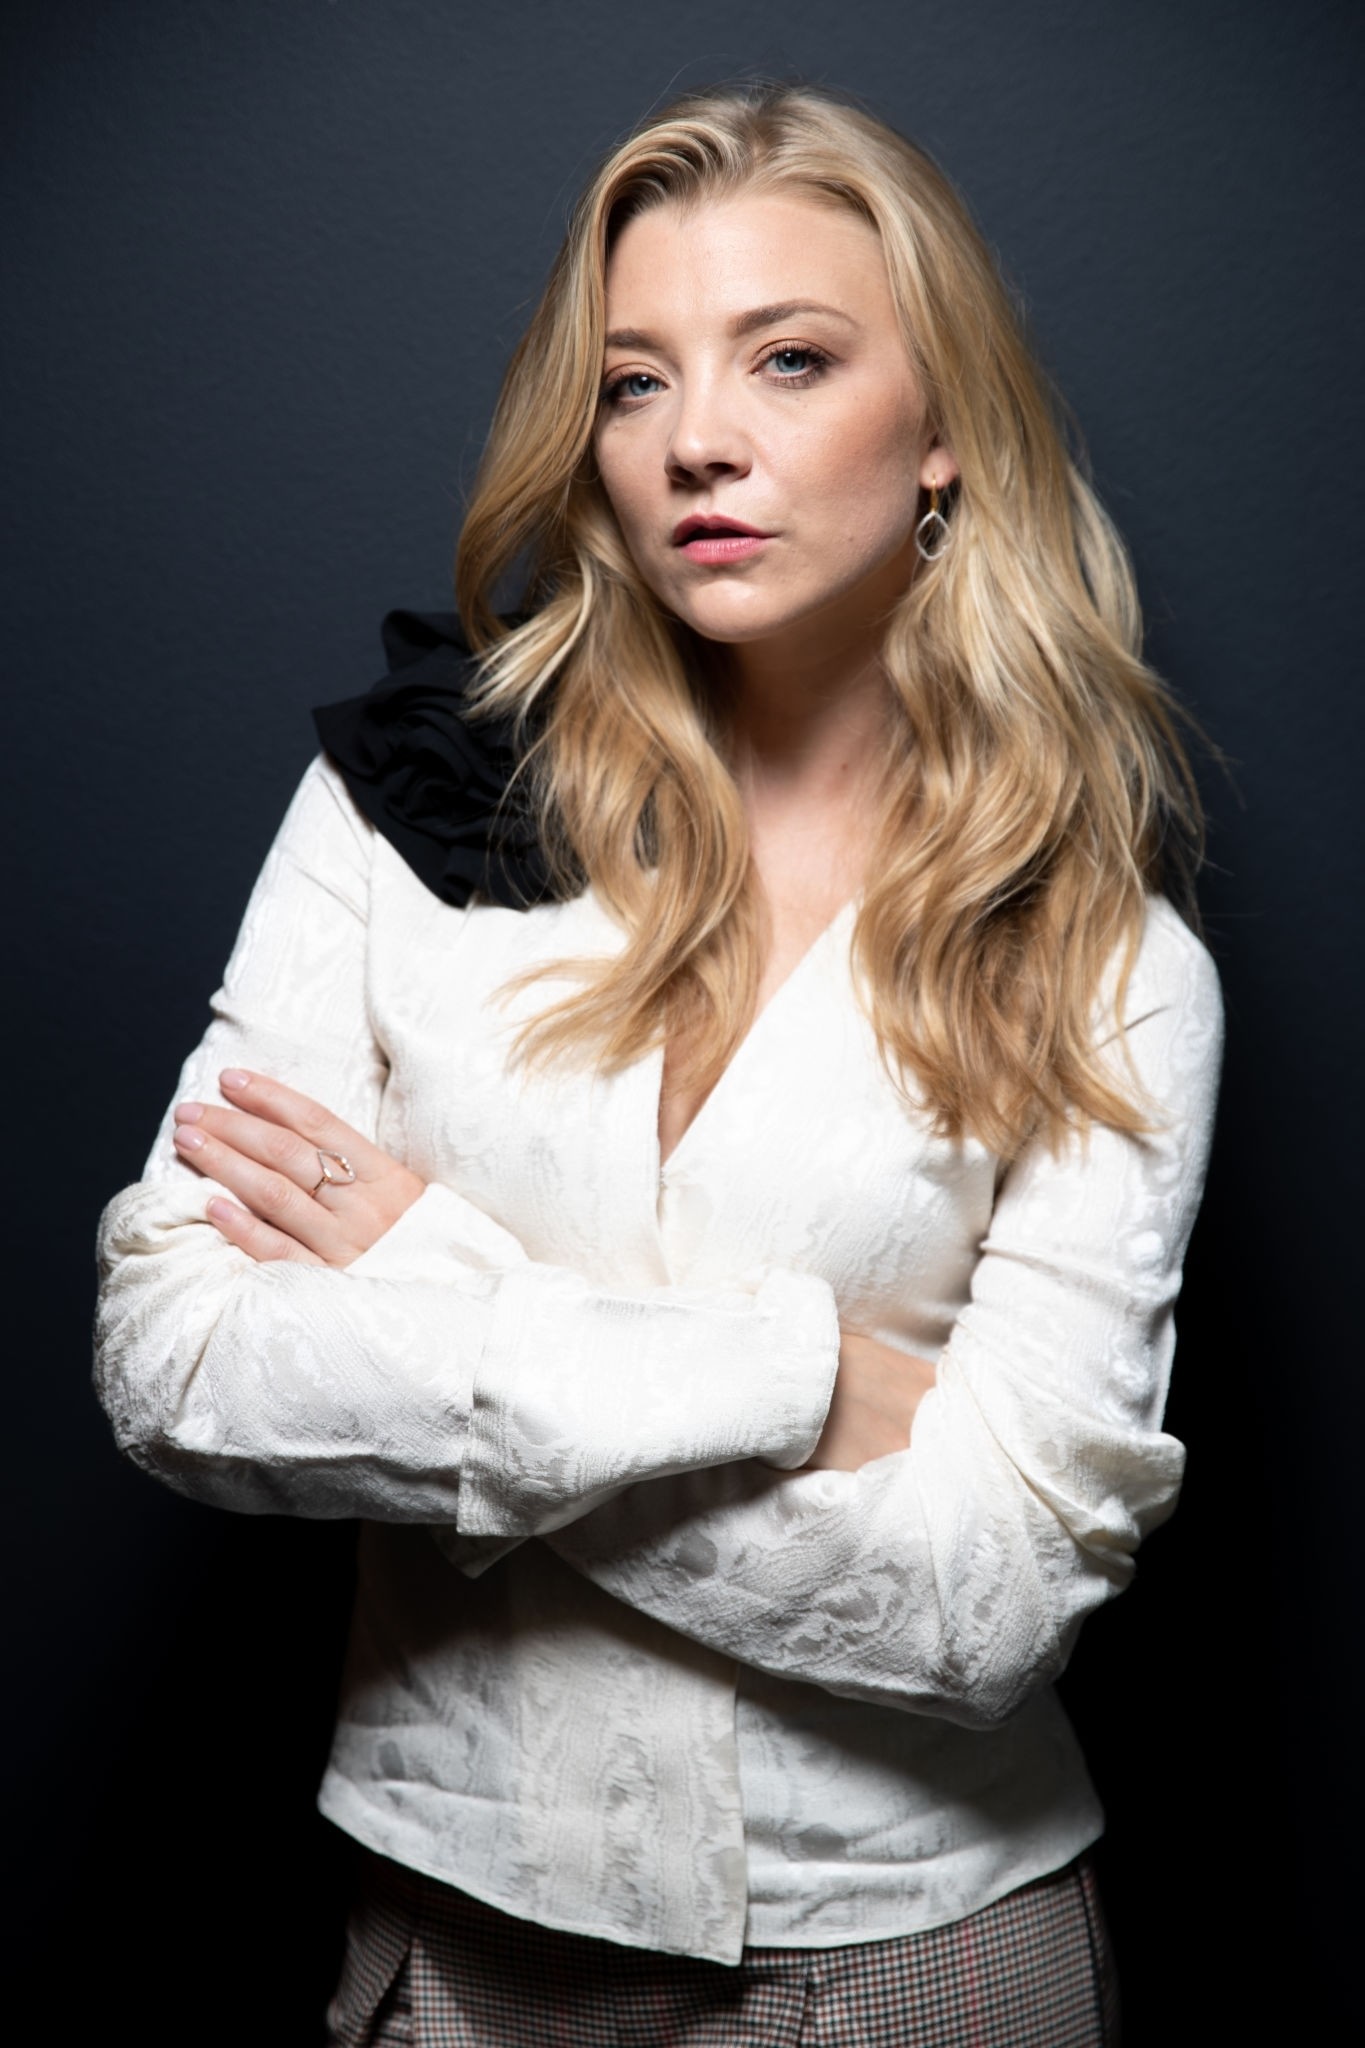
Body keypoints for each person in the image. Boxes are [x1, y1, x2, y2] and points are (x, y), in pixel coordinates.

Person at [94, 81, 1223, 2047]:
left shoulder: (1107, 964)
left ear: (941, 431)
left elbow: (989, 1598)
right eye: (634, 381)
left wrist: (429, 1272)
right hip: (445, 1935)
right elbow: (179, 1361)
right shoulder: (415, 805)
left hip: (907, 1960)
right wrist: (796, 1380)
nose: (697, 435)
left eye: (788, 358)